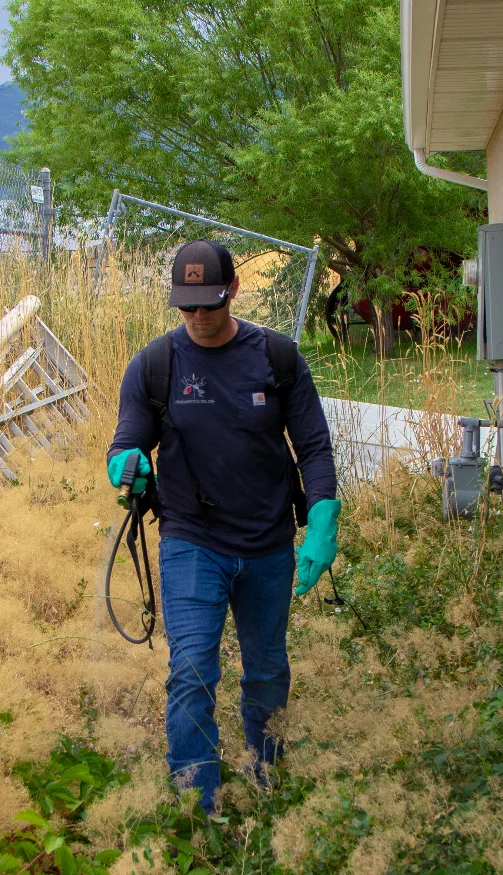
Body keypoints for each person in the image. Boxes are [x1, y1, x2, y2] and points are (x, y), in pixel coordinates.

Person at [107, 239, 338, 808]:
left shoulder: (276, 358)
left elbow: (313, 445)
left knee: (265, 670)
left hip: (267, 543)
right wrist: (127, 465)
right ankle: (196, 806)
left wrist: (324, 517)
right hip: (192, 539)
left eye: (210, 302)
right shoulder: (155, 365)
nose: (199, 317)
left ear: (233, 289)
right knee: (191, 671)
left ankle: (269, 776)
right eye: (187, 307)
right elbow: (126, 442)